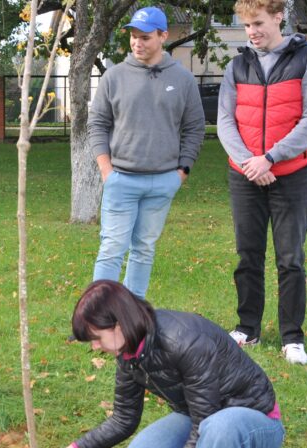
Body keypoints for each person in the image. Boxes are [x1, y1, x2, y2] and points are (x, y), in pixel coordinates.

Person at [43, 280, 284, 448]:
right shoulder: (129, 349)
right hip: (200, 415)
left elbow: (205, 425)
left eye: (96, 338)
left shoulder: (186, 342)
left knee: (219, 429)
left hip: (253, 421)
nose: (95, 347)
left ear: (119, 324)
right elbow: (124, 418)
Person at [217, 0, 307, 365]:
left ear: (279, 17)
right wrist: (251, 163)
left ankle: (292, 338)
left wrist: (271, 158)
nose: (252, 32)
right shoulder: (237, 65)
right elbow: (225, 122)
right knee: (248, 256)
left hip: (291, 176)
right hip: (245, 176)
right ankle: (247, 328)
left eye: (258, 23)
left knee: (290, 259)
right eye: (247, 25)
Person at [88, 6, 205, 299]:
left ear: (163, 36)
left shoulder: (183, 79)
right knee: (112, 248)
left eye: (145, 37)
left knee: (144, 249)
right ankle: (98, 316)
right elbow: (97, 124)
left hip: (163, 182)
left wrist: (182, 171)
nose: (137, 43)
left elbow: (194, 128)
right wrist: (106, 170)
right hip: (121, 179)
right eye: (133, 37)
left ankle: (134, 313)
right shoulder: (114, 76)